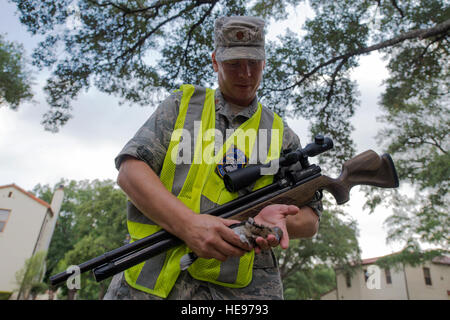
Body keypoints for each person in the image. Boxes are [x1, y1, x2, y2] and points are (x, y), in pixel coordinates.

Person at [104, 16, 322, 300]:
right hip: (149, 279)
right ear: (215, 61)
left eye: (253, 62)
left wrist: (260, 222)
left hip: (242, 292)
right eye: (233, 63)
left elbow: (310, 219)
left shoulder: (282, 135)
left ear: (265, 62)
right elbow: (130, 171)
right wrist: (189, 225)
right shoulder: (182, 105)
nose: (245, 73)